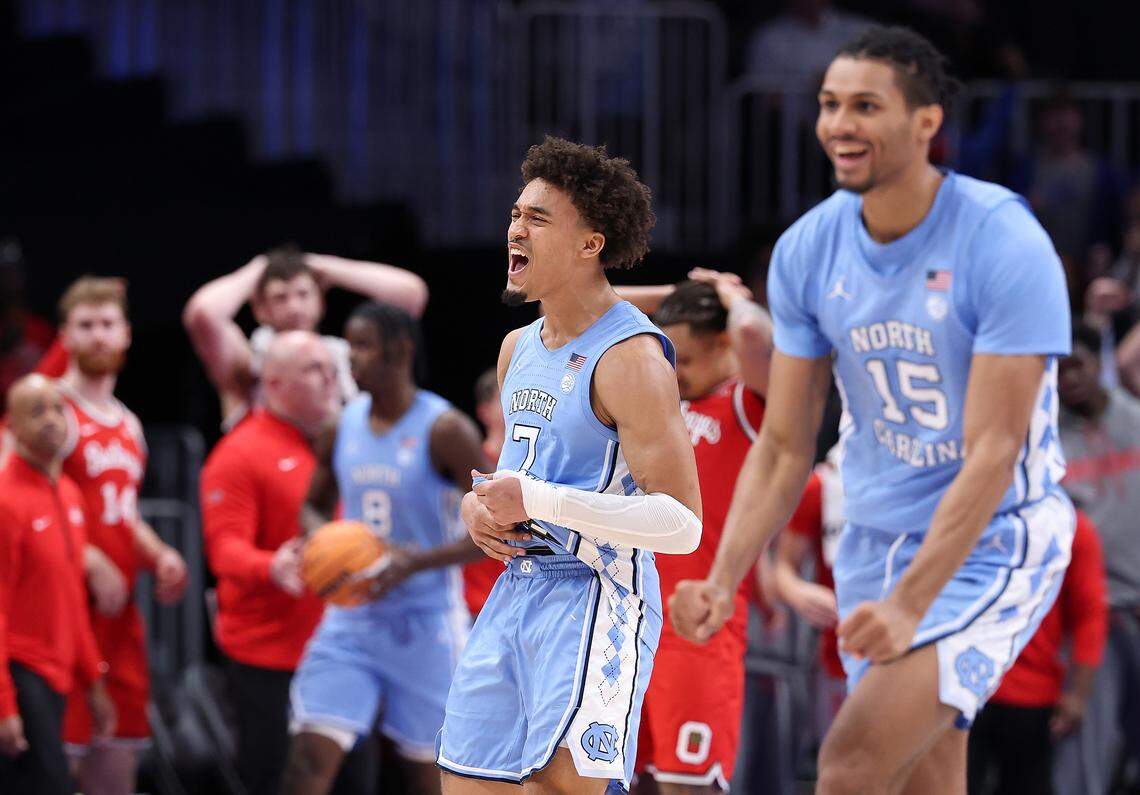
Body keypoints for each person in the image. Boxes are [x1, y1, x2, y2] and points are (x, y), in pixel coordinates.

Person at [670, 26, 1074, 795]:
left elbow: (993, 451)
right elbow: (787, 443)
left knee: (849, 766)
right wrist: (726, 576)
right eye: (828, 104)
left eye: (865, 105)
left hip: (989, 541)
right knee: (925, 779)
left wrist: (910, 602)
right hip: (869, 541)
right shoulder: (806, 250)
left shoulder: (1003, 240)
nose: (839, 124)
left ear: (926, 123)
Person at [437, 136, 702, 793]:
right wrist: (478, 508)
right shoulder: (515, 347)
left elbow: (682, 523)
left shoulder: (632, 357)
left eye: (538, 218)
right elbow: (516, 480)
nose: (514, 230)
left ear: (591, 244)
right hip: (518, 589)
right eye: (514, 215)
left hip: (596, 595)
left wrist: (543, 501)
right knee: (467, 783)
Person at [284, 301, 488, 795]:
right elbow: (312, 505)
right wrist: (323, 539)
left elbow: (494, 531)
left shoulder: (445, 429)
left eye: (362, 346)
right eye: (349, 344)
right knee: (309, 758)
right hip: (352, 620)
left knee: (429, 777)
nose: (348, 358)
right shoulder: (340, 426)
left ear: (400, 351)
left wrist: (412, 561)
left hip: (426, 624)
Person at [614, 272, 771, 793]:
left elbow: (758, 339)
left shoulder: (750, 404)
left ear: (723, 342)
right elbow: (578, 311)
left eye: (688, 357)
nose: (675, 371)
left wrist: (733, 297)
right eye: (669, 357)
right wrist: (677, 295)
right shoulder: (663, 403)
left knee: (689, 787)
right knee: (623, 784)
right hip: (632, 623)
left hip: (698, 630)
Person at [50, 277, 188, 795]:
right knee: (57, 765)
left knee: (118, 763)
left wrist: (160, 553)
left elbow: (121, 515)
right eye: (86, 326)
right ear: (64, 336)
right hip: (62, 612)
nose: (98, 337)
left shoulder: (129, 424)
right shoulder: (47, 413)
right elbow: (16, 504)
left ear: (127, 334)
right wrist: (86, 558)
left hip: (118, 615)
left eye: (108, 325)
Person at [199, 331, 335, 794]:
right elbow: (224, 550)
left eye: (332, 368)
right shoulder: (239, 453)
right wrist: (271, 566)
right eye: (314, 370)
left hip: (337, 650)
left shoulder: (339, 444)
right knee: (275, 780)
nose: (331, 378)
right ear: (274, 383)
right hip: (268, 658)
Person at [0, 375, 115, 795]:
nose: (51, 419)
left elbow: (71, 600)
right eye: (36, 411)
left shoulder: (68, 493)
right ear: (11, 428)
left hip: (57, 673)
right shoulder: (6, 501)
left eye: (56, 408)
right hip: (20, 669)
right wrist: (4, 706)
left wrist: (95, 683)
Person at [182, 245, 428, 429]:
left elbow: (411, 295)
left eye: (303, 294)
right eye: (281, 297)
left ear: (320, 302)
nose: (295, 307)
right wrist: (259, 267)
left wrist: (325, 266)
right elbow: (203, 313)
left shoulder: (345, 357)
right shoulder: (248, 363)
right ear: (260, 310)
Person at [967, 508, 1107, 795]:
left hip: (1025, 696)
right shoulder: (966, 515)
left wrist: (1078, 693)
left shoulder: (1072, 527)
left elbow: (1090, 613)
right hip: (964, 691)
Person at [1056, 320, 1140, 791]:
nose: (1070, 378)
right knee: (1087, 756)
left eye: (1078, 366)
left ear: (1098, 365)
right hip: (1096, 619)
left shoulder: (1135, 414)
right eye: (1060, 370)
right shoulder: (1049, 441)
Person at [773, 451, 848, 745]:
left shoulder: (926, 485)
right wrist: (798, 591)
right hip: (839, 654)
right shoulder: (823, 486)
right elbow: (783, 568)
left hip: (915, 651)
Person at [462, 368, 508, 616]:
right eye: (506, 394)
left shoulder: (547, 471)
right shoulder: (464, 465)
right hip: (476, 608)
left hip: (525, 609)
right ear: (483, 412)